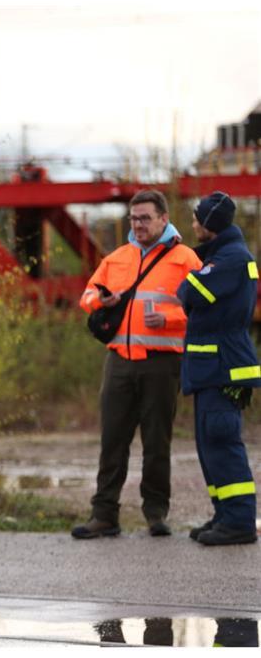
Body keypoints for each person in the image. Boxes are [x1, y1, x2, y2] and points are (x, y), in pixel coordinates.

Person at [72, 190, 201, 539]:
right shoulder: (116, 258)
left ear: (163, 218)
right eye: (133, 219)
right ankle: (104, 515)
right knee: (112, 440)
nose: (138, 225)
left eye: (145, 218)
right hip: (119, 363)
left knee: (157, 442)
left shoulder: (186, 259)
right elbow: (85, 297)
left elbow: (204, 312)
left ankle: (156, 513)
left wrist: (170, 319)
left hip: (162, 364)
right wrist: (100, 299)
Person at [177, 192, 260, 546]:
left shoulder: (231, 258)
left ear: (210, 224)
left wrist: (194, 273)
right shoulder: (223, 255)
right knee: (208, 444)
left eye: (197, 219)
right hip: (212, 368)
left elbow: (190, 291)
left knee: (221, 442)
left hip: (222, 366)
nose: (193, 223)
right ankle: (225, 513)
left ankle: (240, 520)